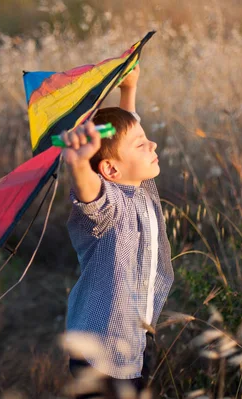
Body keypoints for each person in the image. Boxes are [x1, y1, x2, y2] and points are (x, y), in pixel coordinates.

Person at [60, 64, 174, 398]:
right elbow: (90, 194)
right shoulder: (110, 208)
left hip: (135, 339)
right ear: (109, 170)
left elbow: (125, 134)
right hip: (102, 353)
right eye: (142, 145)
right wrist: (80, 163)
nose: (151, 144)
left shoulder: (139, 187)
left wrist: (128, 90)